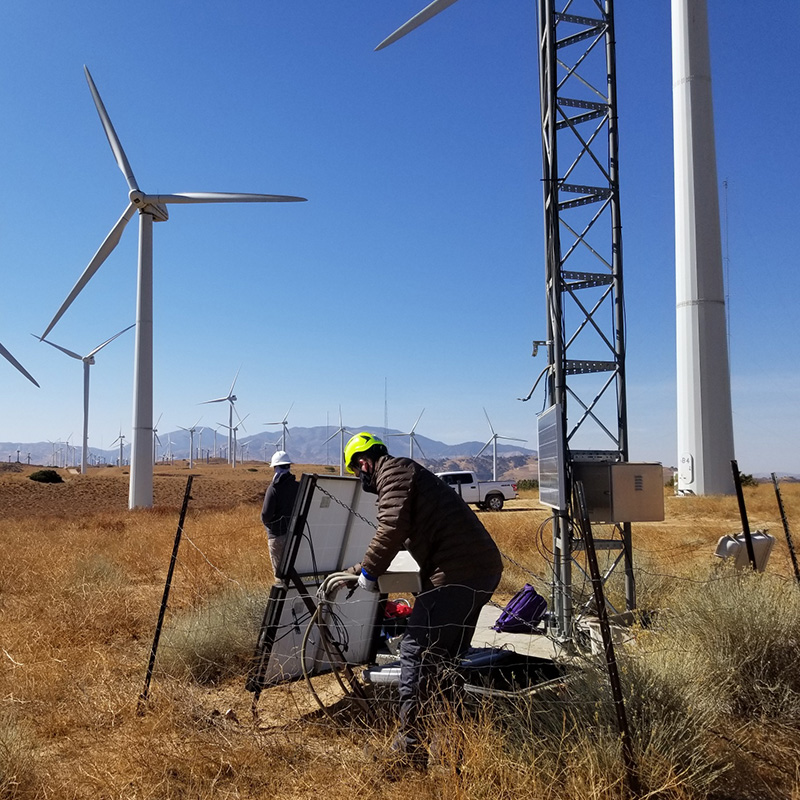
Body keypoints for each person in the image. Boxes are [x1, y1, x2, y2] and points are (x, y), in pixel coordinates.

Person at [343, 431, 503, 771]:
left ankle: (409, 750)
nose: (362, 480)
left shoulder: (394, 473)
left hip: (457, 574)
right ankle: (448, 757)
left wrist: (369, 573)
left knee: (416, 652)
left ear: (364, 462)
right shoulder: (407, 473)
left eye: (358, 473)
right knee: (444, 664)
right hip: (478, 571)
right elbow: (402, 536)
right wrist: (358, 569)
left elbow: (390, 528)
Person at [261, 450, 299, 579]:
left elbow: (266, 514)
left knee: (280, 577)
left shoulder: (274, 488)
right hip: (295, 535)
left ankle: (282, 598)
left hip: (277, 537)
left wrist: (269, 525)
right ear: (288, 466)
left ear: (275, 467)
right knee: (294, 574)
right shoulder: (297, 486)